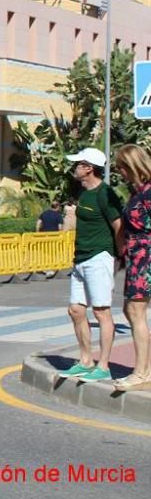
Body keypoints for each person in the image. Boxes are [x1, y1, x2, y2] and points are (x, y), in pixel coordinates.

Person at [58, 148, 123, 383]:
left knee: (101, 312)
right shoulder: (84, 194)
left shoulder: (106, 194)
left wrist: (117, 255)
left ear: (89, 168)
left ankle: (103, 366)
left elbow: (119, 226)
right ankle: (85, 360)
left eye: (78, 164)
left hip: (100, 257)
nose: (74, 167)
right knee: (75, 310)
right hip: (81, 259)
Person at [113, 145, 151, 390]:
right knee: (132, 311)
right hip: (137, 257)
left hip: (146, 256)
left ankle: (141, 372)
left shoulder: (147, 194)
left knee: (135, 312)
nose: (119, 173)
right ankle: (144, 369)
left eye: (121, 167)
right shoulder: (138, 193)